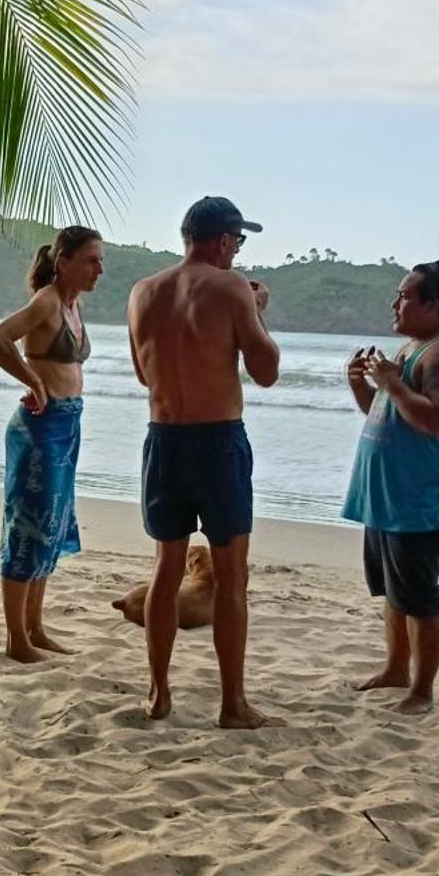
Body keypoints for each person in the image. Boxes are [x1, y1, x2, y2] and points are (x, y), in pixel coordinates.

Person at [127, 197, 280, 727]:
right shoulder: (232, 286)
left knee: (165, 570)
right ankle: (232, 703)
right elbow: (266, 371)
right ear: (222, 240)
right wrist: (257, 312)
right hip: (217, 441)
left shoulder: (142, 292)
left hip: (164, 438)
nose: (237, 252)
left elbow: (145, 374)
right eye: (238, 242)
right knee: (232, 577)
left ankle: (158, 692)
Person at [342, 260, 439, 715]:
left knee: (419, 596)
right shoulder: (409, 350)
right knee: (394, 593)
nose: (394, 304)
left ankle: (422, 690)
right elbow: (385, 410)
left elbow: (435, 420)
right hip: (386, 496)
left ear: (434, 305)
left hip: (419, 498)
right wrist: (361, 383)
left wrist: (392, 384)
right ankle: (396, 668)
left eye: (404, 296)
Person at [0, 225, 104, 662]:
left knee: (50, 527)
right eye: (92, 260)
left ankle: (35, 628)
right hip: (39, 427)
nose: (99, 269)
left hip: (68, 424)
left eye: (100, 260)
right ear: (65, 261)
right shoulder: (46, 302)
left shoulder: (74, 304)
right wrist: (32, 379)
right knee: (27, 529)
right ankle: (17, 640)